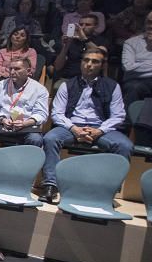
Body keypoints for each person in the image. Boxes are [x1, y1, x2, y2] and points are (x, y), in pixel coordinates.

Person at [38, 46, 133, 204]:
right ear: (81, 63)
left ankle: (108, 190)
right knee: (50, 138)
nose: (89, 64)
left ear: (102, 65)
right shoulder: (67, 85)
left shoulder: (112, 86)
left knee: (124, 145)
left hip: (101, 128)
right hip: (72, 126)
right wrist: (74, 129)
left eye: (95, 62)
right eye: (86, 60)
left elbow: (118, 116)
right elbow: (57, 114)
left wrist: (99, 130)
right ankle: (50, 185)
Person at [0, 57, 50, 148]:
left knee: (35, 139)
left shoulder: (39, 89)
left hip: (27, 125)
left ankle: (28, 162)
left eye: (17, 69)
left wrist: (26, 123)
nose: (12, 72)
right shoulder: (0, 86)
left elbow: (41, 114)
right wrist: (3, 119)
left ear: (28, 71)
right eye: (11, 69)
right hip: (2, 123)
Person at [52, 13, 108, 81]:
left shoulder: (101, 40)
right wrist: (65, 47)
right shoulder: (72, 41)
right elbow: (57, 67)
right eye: (81, 24)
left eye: (88, 25)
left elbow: (101, 54)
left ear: (95, 26)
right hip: (70, 78)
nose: (83, 27)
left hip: (93, 79)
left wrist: (84, 39)